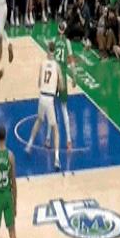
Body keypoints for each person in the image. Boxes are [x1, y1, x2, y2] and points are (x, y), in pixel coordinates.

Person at [25, 41, 64, 169]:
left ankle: (29, 144)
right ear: (55, 51)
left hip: (42, 96)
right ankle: (57, 159)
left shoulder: (42, 63)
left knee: (39, 120)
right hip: (50, 98)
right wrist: (57, 89)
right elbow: (61, 85)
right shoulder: (57, 66)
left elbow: (39, 83)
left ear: (47, 50)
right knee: (55, 129)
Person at [45, 22, 75, 150]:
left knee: (51, 108)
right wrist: (74, 77)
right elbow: (72, 61)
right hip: (62, 76)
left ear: (58, 29)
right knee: (64, 109)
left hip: (53, 77)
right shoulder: (67, 42)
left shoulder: (53, 40)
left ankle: (48, 139)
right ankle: (69, 140)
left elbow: (48, 59)